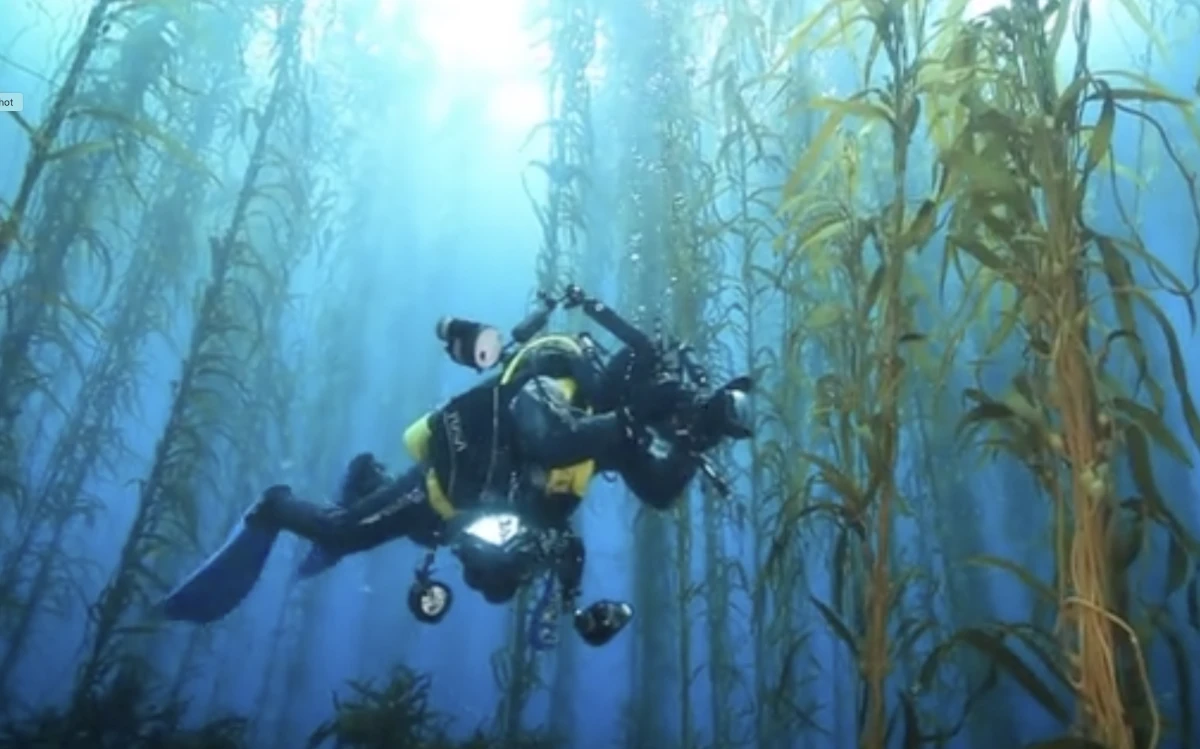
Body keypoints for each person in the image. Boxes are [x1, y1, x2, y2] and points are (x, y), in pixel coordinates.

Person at [162, 292, 753, 645]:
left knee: (495, 582)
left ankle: (366, 479)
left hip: (477, 514)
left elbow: (656, 491)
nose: (656, 422)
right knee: (344, 531)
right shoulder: (557, 371)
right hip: (439, 493)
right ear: (632, 383)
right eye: (658, 406)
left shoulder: (615, 426)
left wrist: (692, 448)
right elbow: (549, 438)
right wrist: (628, 424)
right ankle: (275, 504)